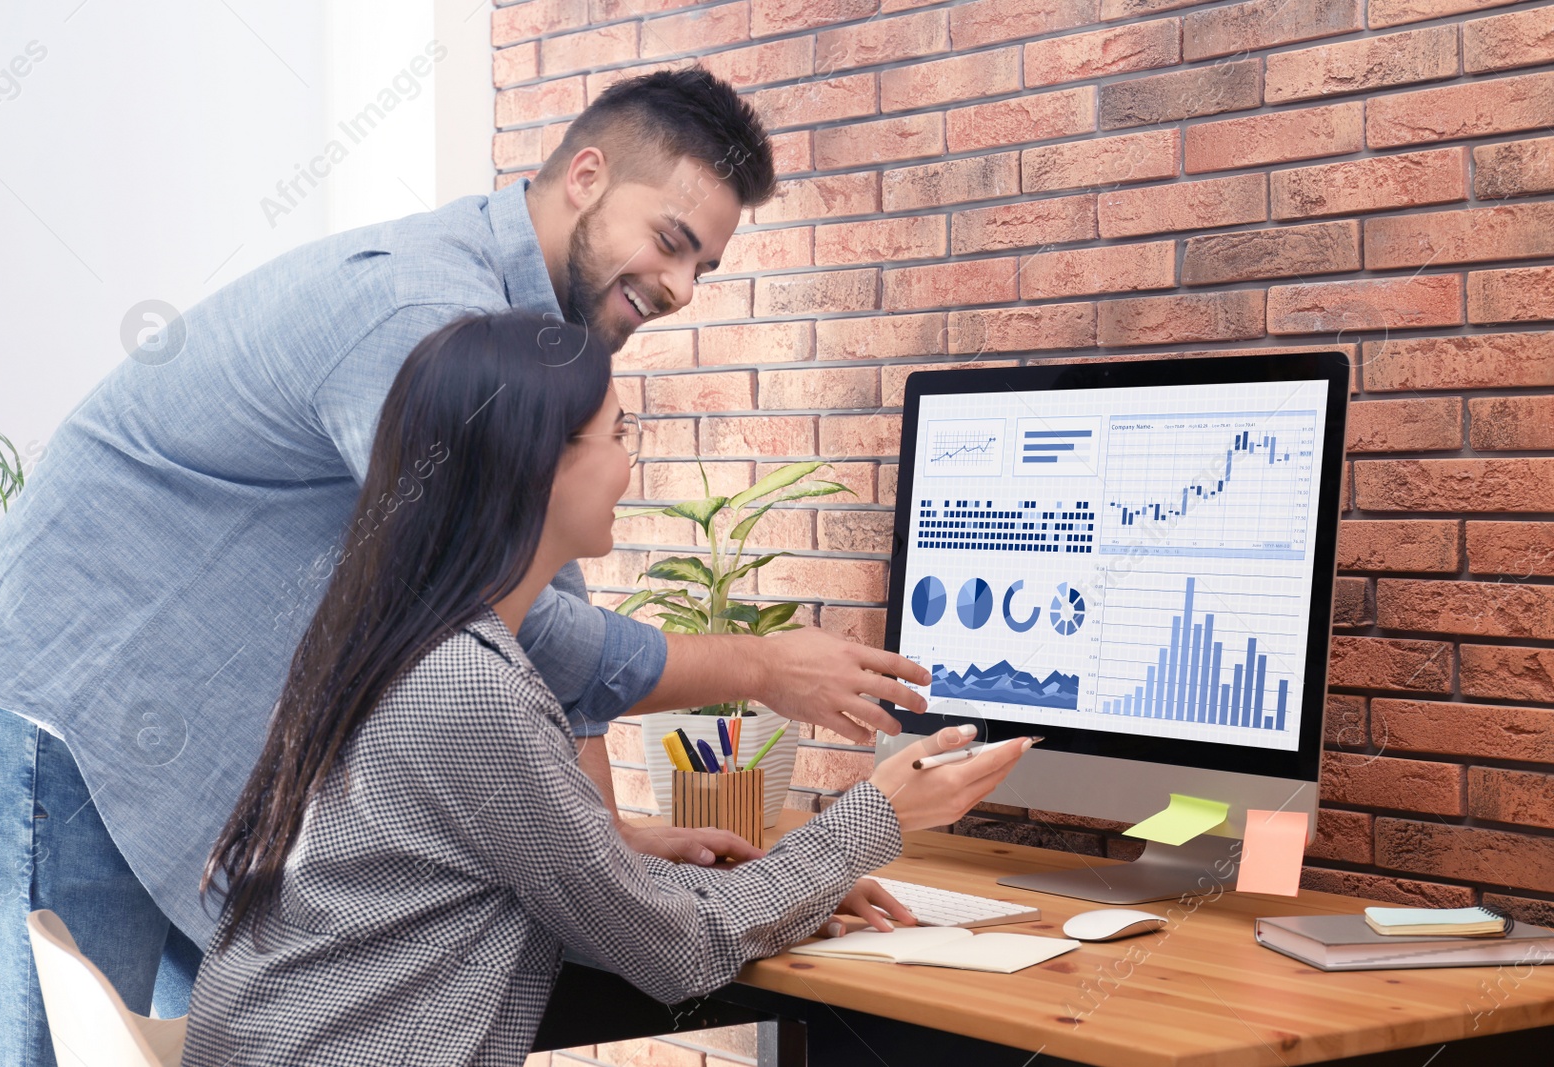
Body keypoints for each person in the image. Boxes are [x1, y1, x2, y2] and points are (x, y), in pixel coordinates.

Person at [0, 67, 930, 1066]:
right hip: (69, 702)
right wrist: (763, 672)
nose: (679, 287)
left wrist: (591, 841)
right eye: (672, 241)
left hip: (191, 743)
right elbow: (526, 629)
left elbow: (529, 596)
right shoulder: (420, 309)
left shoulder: (519, 354)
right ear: (585, 175)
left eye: (704, 267)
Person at [181, 311, 1029, 1066]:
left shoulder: (399, 638)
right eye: (619, 434)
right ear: (538, 463)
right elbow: (679, 952)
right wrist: (874, 814)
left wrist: (786, 885)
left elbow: (578, 886)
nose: (630, 462)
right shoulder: (467, 691)